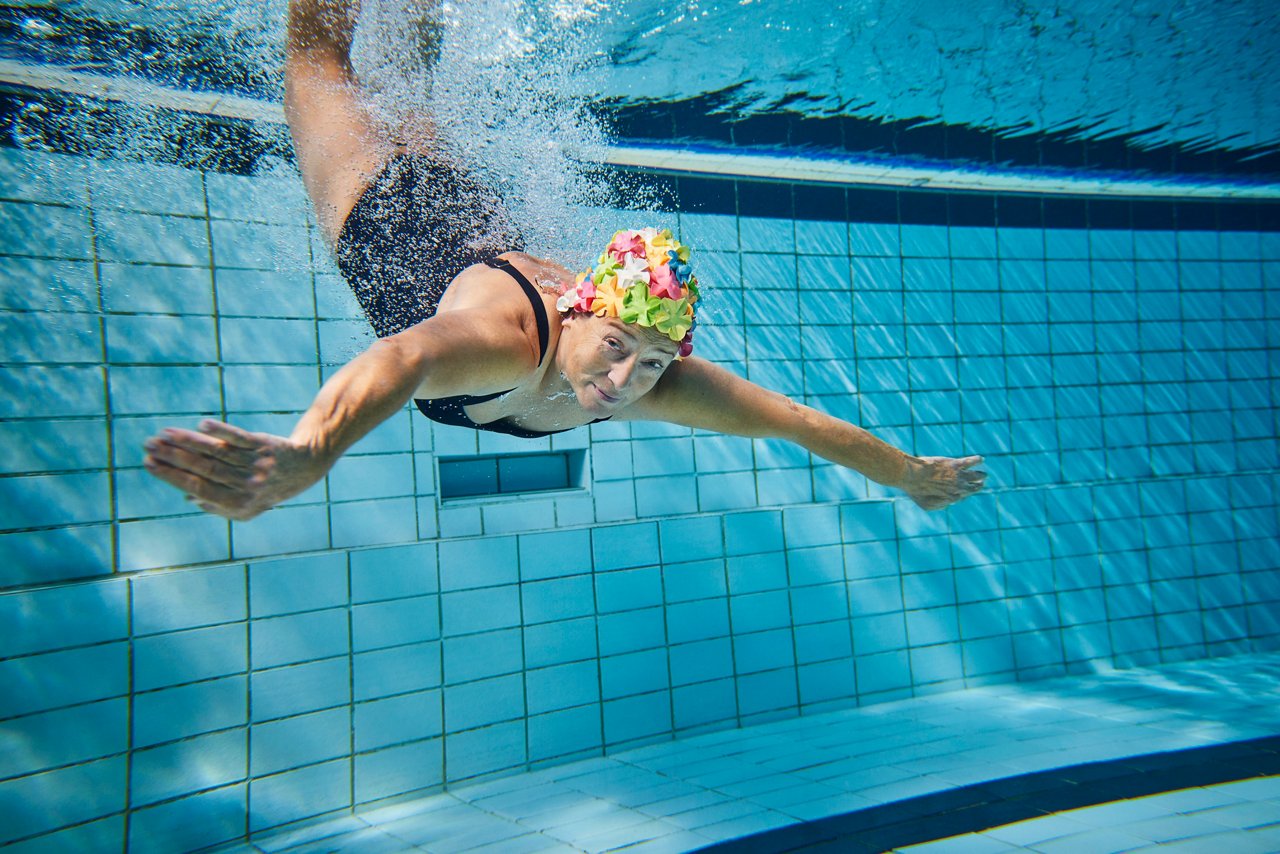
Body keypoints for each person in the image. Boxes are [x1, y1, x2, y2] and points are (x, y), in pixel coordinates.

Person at [142, 0, 986, 520]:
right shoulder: (504, 343)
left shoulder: (659, 373)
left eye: (653, 363)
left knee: (418, 92)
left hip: (467, 216)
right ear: (581, 309)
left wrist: (908, 473)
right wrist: (311, 453)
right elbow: (399, 359)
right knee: (319, 53)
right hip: (387, 214)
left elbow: (793, 422)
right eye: (618, 346)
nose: (626, 383)